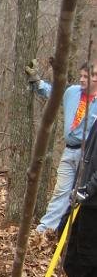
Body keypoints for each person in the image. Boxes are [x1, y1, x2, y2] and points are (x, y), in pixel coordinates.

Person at [27, 62, 97, 233]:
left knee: (81, 194)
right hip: (69, 150)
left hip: (88, 155)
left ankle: (71, 232)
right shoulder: (72, 92)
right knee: (61, 191)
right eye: (81, 76)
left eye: (86, 77)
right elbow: (53, 93)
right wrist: (37, 82)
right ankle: (45, 230)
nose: (81, 80)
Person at [62, 74, 97, 277]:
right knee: (71, 236)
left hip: (94, 197)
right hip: (85, 189)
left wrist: (89, 187)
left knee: (88, 245)